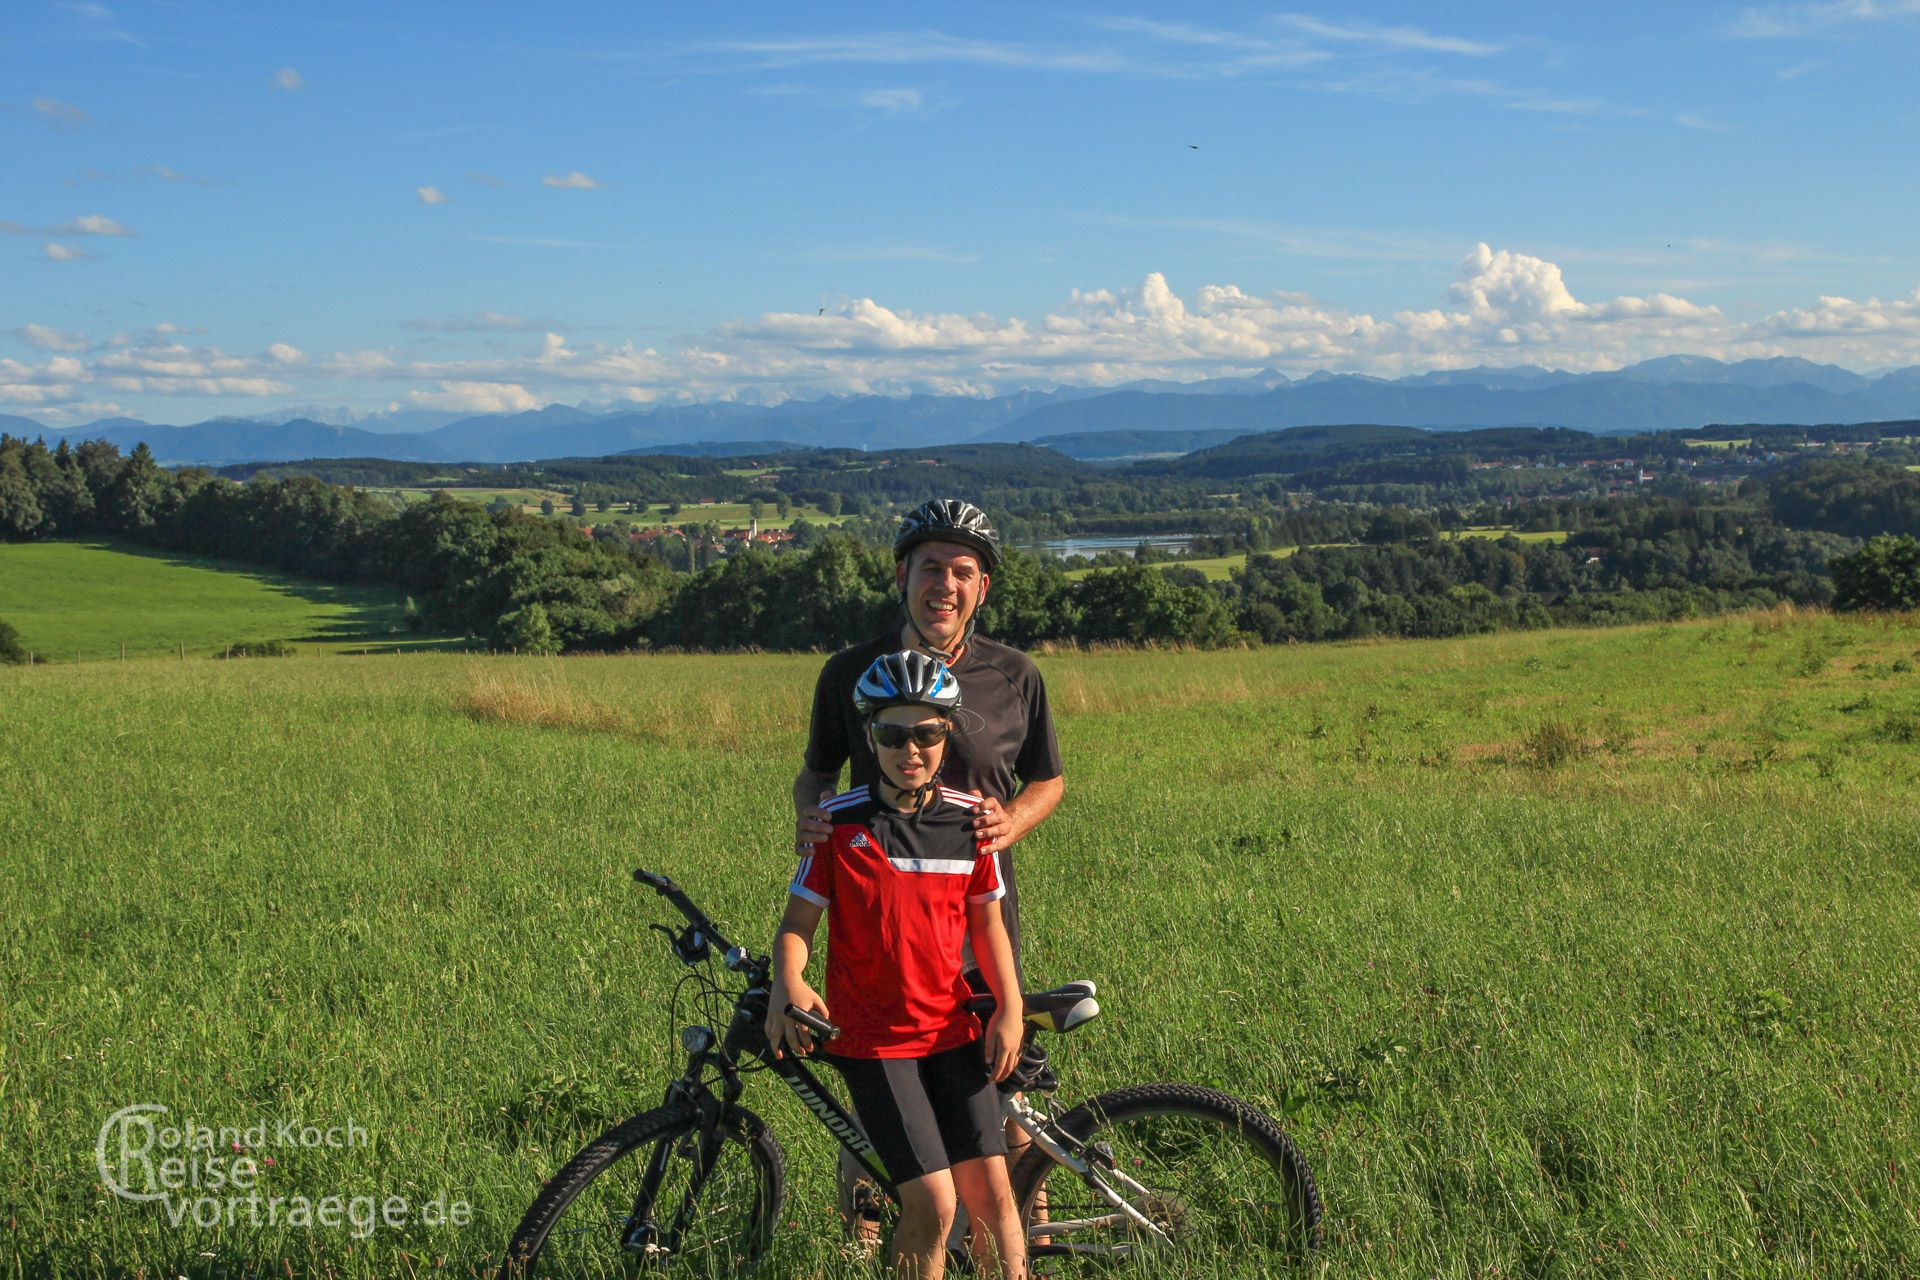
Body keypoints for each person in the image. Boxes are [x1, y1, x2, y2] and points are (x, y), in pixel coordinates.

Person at [792, 499, 1065, 1241]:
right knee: (881, 1083)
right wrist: (809, 818)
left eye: (963, 572)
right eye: (932, 568)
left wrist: (1015, 820)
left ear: (983, 589)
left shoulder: (1016, 676)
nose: (946, 584)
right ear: (904, 576)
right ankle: (866, 1239)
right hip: (875, 923)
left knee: (1000, 1084)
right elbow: (816, 774)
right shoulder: (851, 672)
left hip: (976, 916)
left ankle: (1027, 1237)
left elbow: (1048, 781)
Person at [768, 651, 1028, 1280]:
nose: (909, 749)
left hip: (954, 1031)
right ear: (870, 736)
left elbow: (989, 926)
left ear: (946, 735)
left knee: (993, 1201)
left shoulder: (971, 823)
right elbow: (798, 925)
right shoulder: (838, 824)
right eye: (891, 734)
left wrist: (1011, 1009)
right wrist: (789, 980)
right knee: (935, 1205)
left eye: (927, 733)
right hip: (875, 1042)